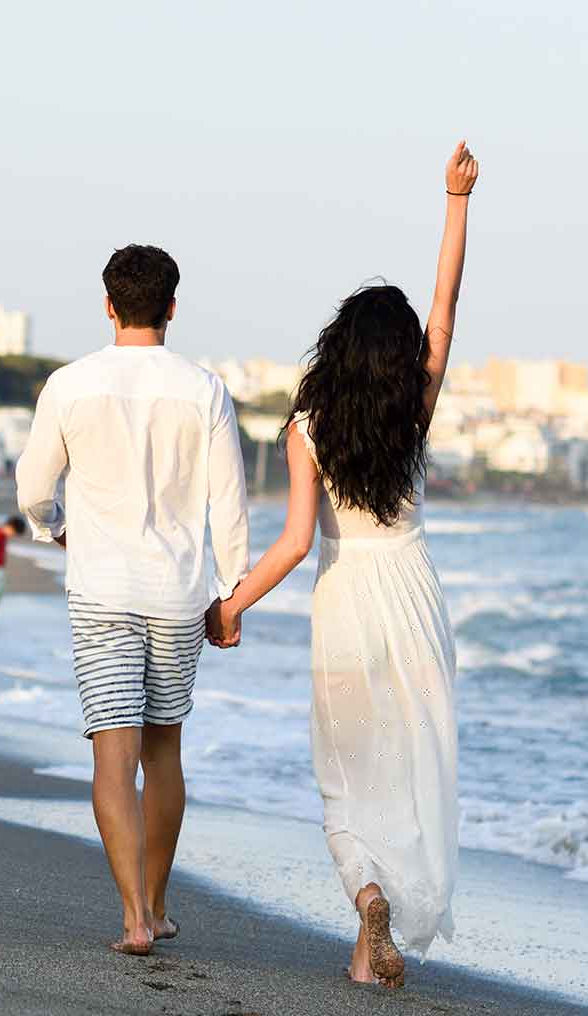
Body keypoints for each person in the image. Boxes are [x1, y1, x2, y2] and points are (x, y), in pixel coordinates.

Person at [213, 142, 478, 988]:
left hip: (348, 597)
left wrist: (233, 605)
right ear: (399, 356)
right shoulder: (414, 408)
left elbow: (293, 543)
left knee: (345, 766)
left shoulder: (309, 426)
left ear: (339, 347)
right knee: (408, 759)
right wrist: (455, 200)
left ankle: (367, 896)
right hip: (413, 592)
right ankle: (375, 935)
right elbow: (445, 308)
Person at [15, 244, 251, 957]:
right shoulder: (204, 388)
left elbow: (32, 488)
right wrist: (231, 594)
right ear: (173, 306)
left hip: (101, 590)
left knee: (111, 756)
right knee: (164, 754)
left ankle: (132, 921)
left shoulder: (69, 383)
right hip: (178, 594)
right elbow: (228, 506)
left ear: (109, 305)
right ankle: (156, 901)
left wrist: (57, 532)